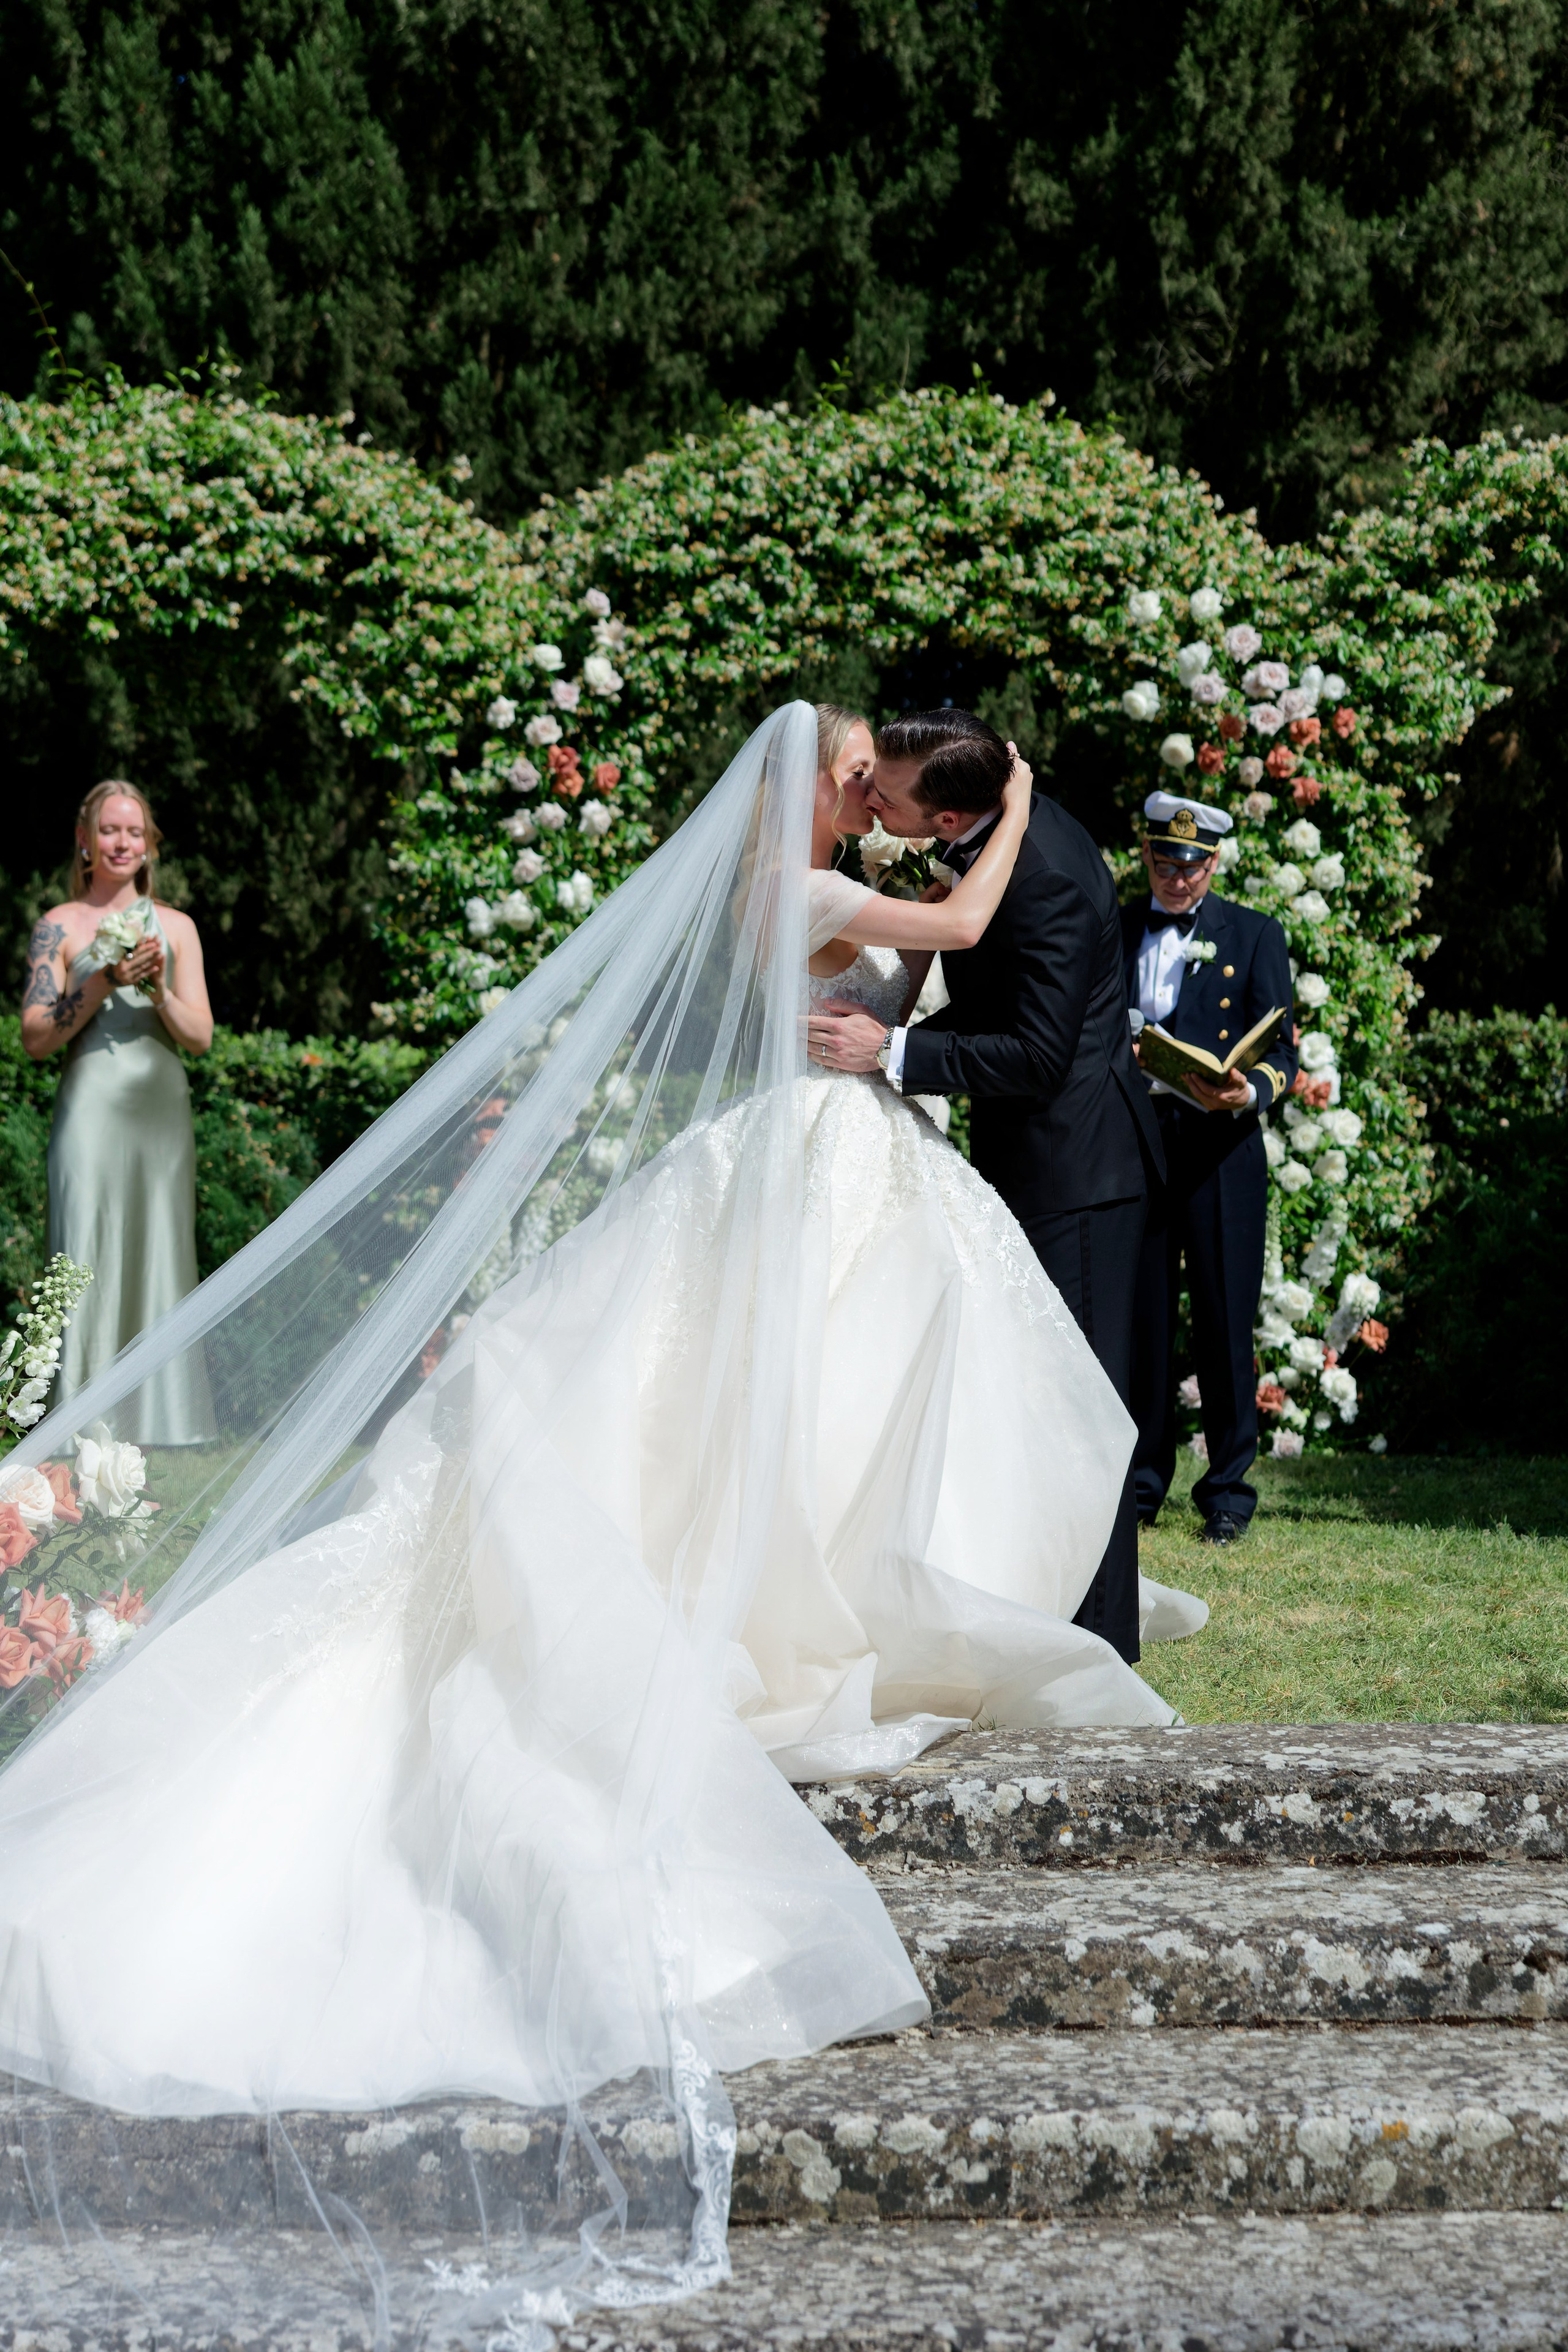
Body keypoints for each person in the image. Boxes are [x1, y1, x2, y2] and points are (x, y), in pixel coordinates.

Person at [0, 706, 1199, 2323]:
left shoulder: (827, 873)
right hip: (810, 1155)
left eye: (879, 772)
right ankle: (787, 1601)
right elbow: (966, 926)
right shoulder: (801, 894)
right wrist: (1029, 789)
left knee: (851, 1415)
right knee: (747, 1422)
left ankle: (874, 1584)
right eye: (856, 771)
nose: (875, 792)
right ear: (807, 791)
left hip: (862, 1156)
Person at [813, 710, 1170, 1668]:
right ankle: (1044, 1613)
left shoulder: (1040, 872)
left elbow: (1040, 1056)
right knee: (1030, 1398)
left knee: (1076, 1410)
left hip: (1077, 1172)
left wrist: (891, 1049)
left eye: (886, 793)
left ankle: (1100, 1648)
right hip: (1043, 1161)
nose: (872, 800)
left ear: (946, 813)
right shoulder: (994, 834)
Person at [1121, 790, 1298, 1542]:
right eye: (1165, 863)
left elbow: (1282, 1050)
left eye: (1191, 867)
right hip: (1137, 1140)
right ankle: (1140, 1485)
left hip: (1221, 1147)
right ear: (1147, 856)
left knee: (1224, 1322)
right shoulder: (1121, 927)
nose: (1177, 880)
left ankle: (1226, 1491)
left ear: (1214, 863)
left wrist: (1245, 1091)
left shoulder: (1255, 935)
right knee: (1144, 1322)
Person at [20, 782, 216, 1442]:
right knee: (82, 1246)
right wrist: (101, 976)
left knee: (158, 1249)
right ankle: (74, 1415)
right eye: (109, 830)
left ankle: (161, 1416)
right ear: (86, 839)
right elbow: (36, 1036)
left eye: (134, 832)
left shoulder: (179, 927)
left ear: (150, 843)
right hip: (91, 1110)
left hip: (159, 1112)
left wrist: (158, 988)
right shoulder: (58, 925)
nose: (122, 843)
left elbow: (199, 1037)